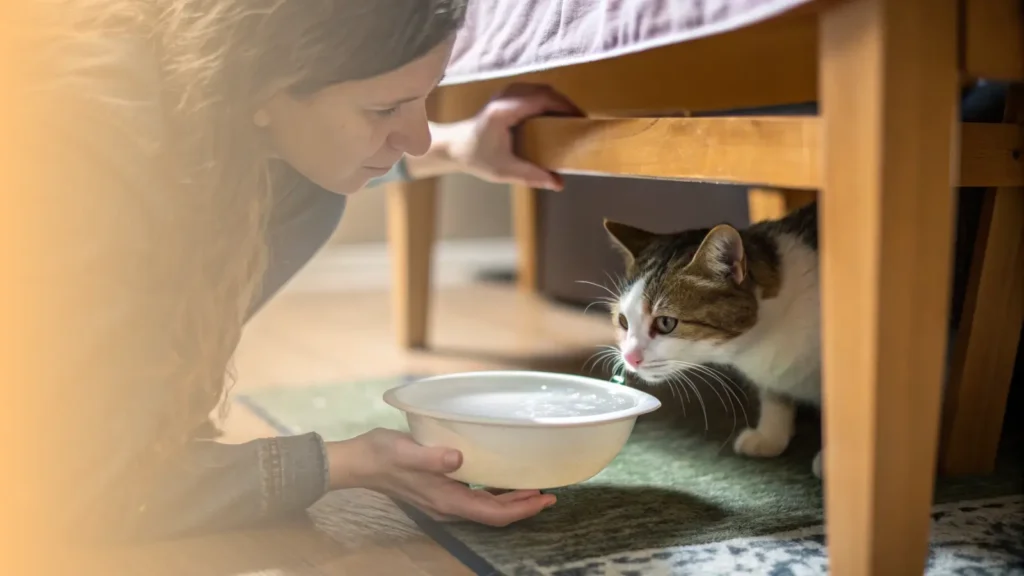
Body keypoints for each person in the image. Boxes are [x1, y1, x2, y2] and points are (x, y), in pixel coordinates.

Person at [22, 0, 582, 543]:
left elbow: (308, 132)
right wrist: (346, 464)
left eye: (424, 99)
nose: (419, 136)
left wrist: (463, 148)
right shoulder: (84, 161)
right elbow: (72, 491)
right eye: (385, 109)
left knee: (314, 183)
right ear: (265, 80)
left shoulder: (206, 84)